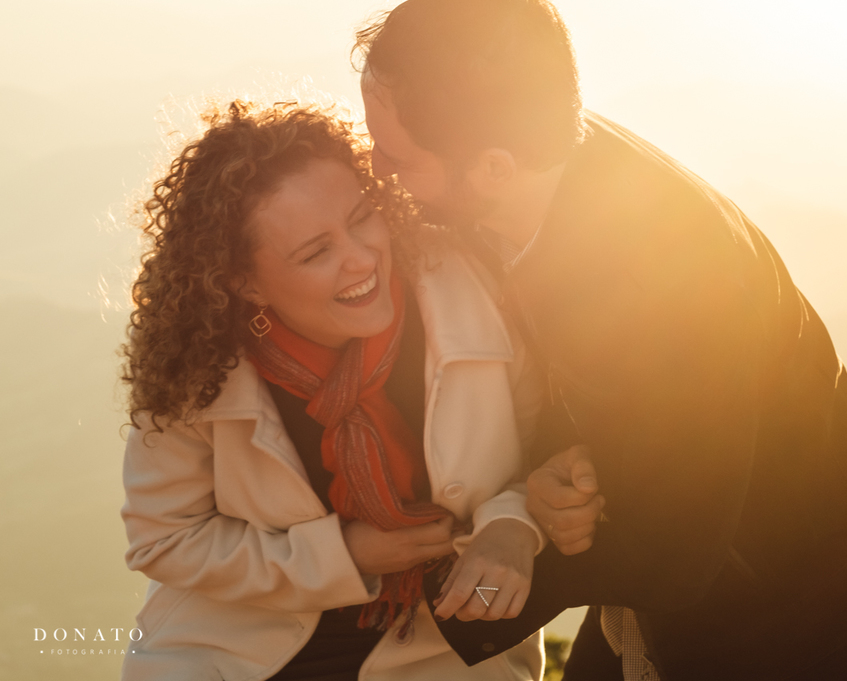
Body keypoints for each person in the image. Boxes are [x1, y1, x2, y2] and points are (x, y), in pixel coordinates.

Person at [356, 0, 847, 680]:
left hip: (799, 621)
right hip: (660, 591)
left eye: (394, 157)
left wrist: (499, 560)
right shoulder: (529, 165)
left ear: (493, 168)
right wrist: (562, 467)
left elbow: (678, 550)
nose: (374, 172)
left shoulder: (674, 278)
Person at [119, 100, 547, 681]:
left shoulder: (475, 292)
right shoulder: (195, 364)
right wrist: (341, 556)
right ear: (244, 281)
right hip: (233, 650)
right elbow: (163, 540)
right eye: (316, 252)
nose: (361, 258)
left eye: (363, 217)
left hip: (445, 647)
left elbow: (551, 447)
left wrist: (511, 525)